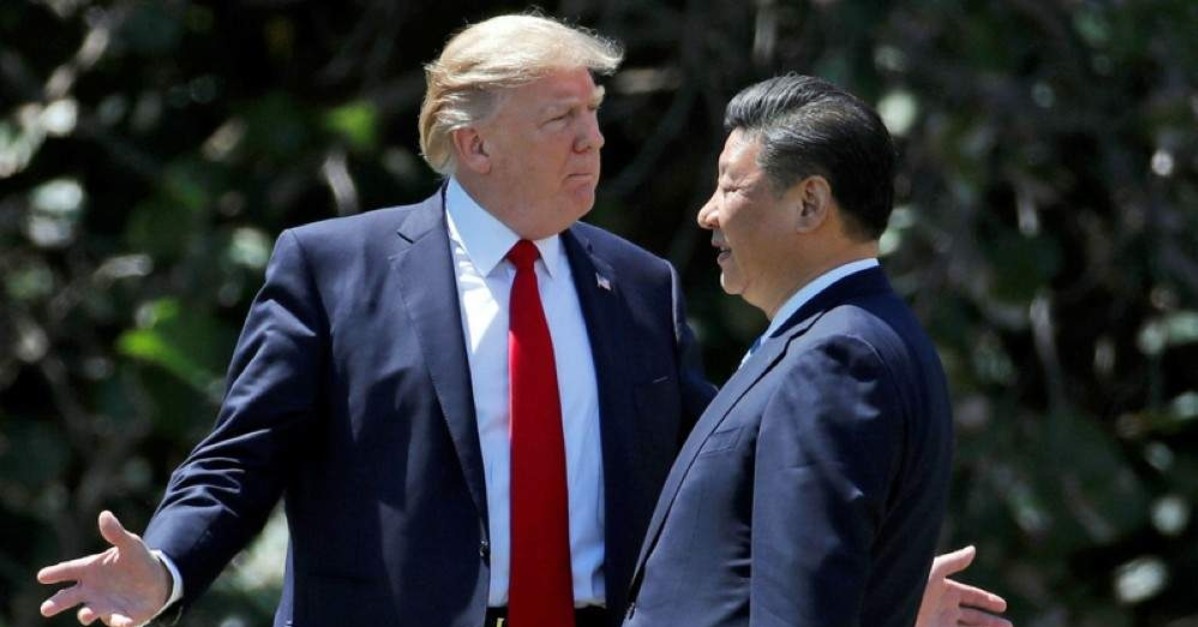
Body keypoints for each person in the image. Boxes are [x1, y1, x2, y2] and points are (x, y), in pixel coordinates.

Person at [36, 14, 1007, 627]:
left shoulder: (639, 284)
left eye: (593, 112)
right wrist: (162, 565)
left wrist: (869, 585)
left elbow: (733, 464)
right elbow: (239, 460)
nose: (594, 139)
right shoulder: (335, 271)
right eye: (561, 119)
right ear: (475, 143)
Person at [622, 74, 987, 627]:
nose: (708, 213)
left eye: (729, 187)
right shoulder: (855, 338)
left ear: (810, 203)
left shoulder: (836, 358)